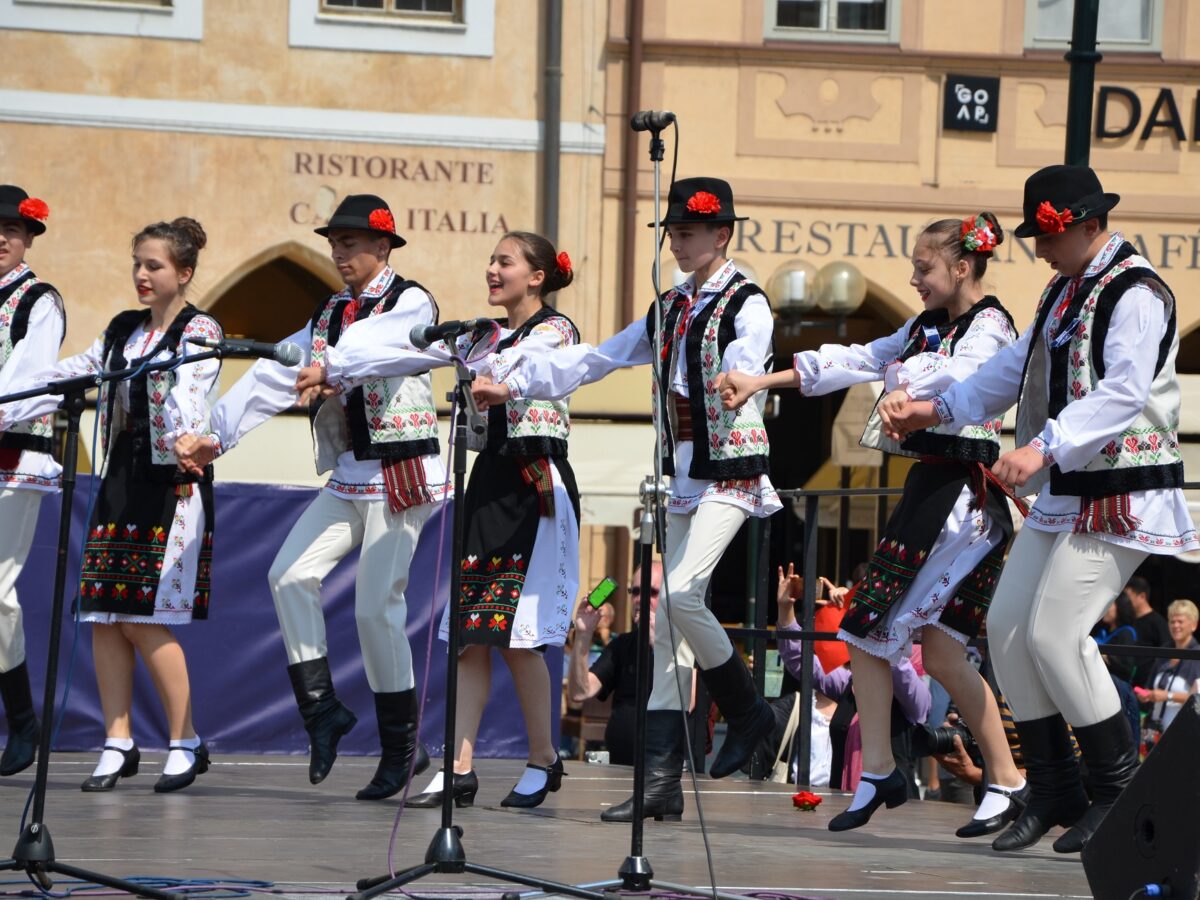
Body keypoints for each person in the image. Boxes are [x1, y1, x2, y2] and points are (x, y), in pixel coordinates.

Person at [882, 165, 1199, 853]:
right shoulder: (1065, 291)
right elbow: (1012, 370)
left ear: (1090, 226)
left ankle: (1118, 796)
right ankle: (1055, 790)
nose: (1039, 249)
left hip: (1123, 488)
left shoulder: (1137, 292)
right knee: (1006, 629)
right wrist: (939, 408)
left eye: (1049, 235)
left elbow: (1120, 392)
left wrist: (1042, 448)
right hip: (1068, 491)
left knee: (1057, 635)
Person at [474, 177, 780, 823]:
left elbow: (751, 355)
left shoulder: (747, 301)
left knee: (680, 594)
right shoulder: (667, 306)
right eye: (673, 231)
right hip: (682, 470)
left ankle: (749, 710)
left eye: (689, 231)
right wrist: (517, 380)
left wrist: (738, 376)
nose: (678, 240)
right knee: (667, 632)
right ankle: (661, 783)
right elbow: (596, 361)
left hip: (733, 467)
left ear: (721, 235)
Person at [722, 213, 1026, 838]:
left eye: (924, 267)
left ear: (962, 267)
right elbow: (856, 357)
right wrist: (763, 378)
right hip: (930, 491)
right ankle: (990, 778)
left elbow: (965, 377)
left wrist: (904, 389)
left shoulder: (990, 326)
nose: (913, 278)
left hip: (966, 497)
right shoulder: (924, 327)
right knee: (933, 650)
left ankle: (919, 773)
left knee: (871, 629)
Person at [181, 195, 447, 800]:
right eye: (335, 244)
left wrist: (330, 365)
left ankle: (402, 749)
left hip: (401, 472)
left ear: (383, 247)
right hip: (352, 473)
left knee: (376, 608)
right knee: (287, 574)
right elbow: (279, 369)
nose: (339, 254)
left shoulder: (412, 299)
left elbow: (389, 344)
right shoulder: (330, 311)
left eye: (350, 244)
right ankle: (323, 710)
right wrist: (216, 435)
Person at [1, 217, 220, 793]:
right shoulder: (125, 328)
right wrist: (18, 396)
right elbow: (79, 368)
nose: (142, 276)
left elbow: (189, 398)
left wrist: (180, 433)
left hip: (171, 480)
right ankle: (118, 739)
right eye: (138, 265)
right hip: (121, 477)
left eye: (155, 266)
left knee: (144, 619)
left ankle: (185, 739)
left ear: (184, 273)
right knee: (101, 617)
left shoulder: (201, 331)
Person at [0, 185, 62, 777]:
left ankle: (21, 719)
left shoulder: (38, 300)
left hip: (15, 460)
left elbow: (30, 380)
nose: (0, 238)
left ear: (27, 238)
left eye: (11, 230)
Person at [567, 562, 663, 766]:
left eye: (651, 592)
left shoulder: (684, 644)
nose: (640, 599)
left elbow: (688, 702)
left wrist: (656, 644)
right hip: (621, 767)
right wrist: (583, 634)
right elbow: (579, 692)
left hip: (665, 771)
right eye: (635, 591)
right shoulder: (622, 645)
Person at [1137, 599, 1200, 736]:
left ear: (1193, 625)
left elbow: (1198, 698)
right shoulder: (1164, 652)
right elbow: (1150, 686)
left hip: (1184, 735)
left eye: (1180, 621)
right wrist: (1147, 695)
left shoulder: (1197, 657)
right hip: (1153, 734)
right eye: (1172, 621)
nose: (1175, 625)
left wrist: (1168, 696)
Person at [1122, 576, 1170, 684]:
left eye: (1128, 597)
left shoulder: (1158, 622)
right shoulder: (1128, 622)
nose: (1125, 602)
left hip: (1148, 685)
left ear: (1142, 596)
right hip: (1129, 682)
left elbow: (1166, 654)